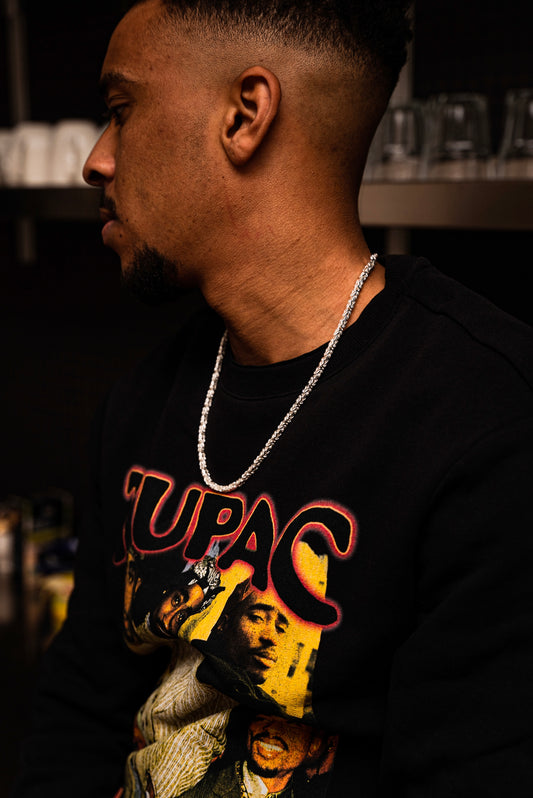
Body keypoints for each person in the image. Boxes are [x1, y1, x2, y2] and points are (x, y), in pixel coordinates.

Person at [13, 0, 533, 796]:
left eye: (121, 111)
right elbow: (77, 715)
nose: (97, 159)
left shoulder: (487, 418)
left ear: (244, 115)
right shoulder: (141, 401)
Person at [178, 712, 332, 797]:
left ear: (314, 745)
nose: (272, 730)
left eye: (292, 725)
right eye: (263, 718)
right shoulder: (197, 788)